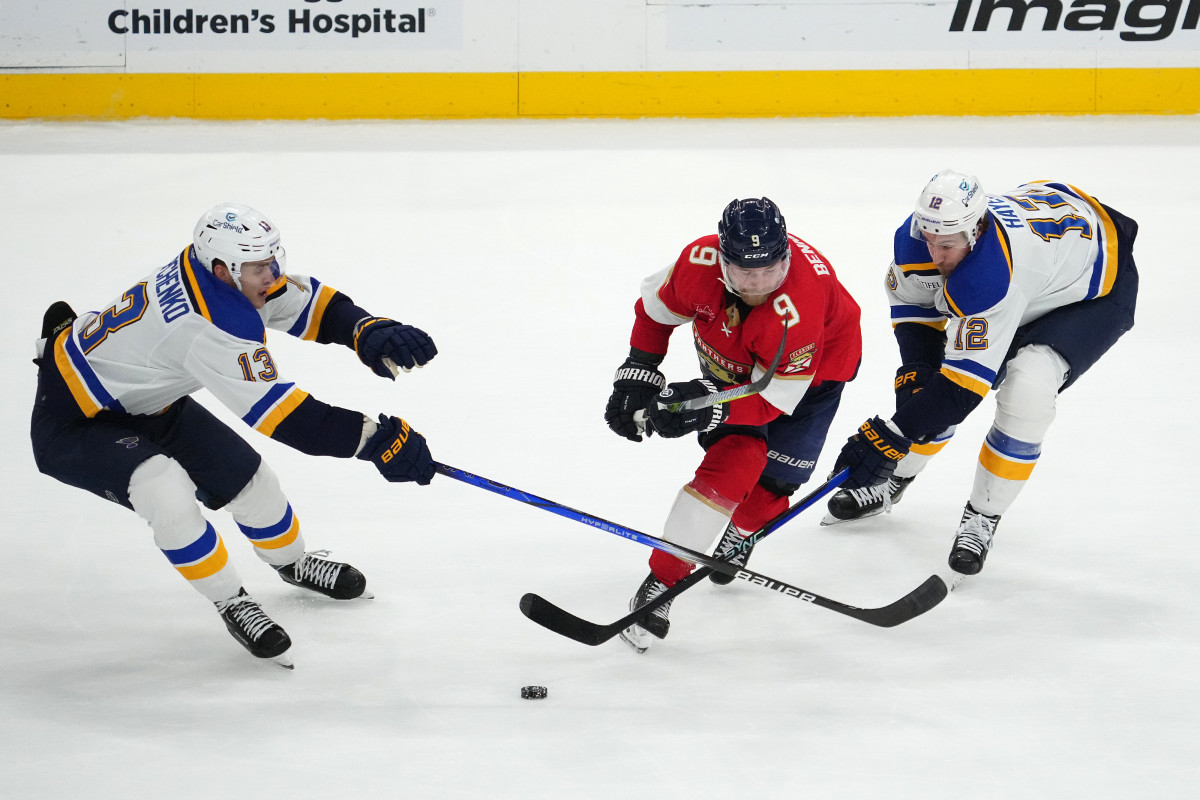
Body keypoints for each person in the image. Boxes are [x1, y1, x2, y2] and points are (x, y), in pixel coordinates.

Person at [31, 203, 438, 668]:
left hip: (144, 401)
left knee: (253, 484)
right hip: (74, 420)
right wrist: (374, 441)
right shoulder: (207, 325)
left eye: (271, 261)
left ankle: (291, 562)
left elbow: (300, 301)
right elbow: (286, 418)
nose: (272, 275)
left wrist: (364, 328)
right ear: (223, 270)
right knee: (164, 490)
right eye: (260, 268)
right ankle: (231, 600)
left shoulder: (217, 271)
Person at [823, 170, 1138, 578]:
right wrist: (914, 385)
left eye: (947, 245)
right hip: (1046, 259)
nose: (935, 255)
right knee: (927, 391)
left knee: (1028, 388)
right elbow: (917, 316)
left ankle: (983, 517)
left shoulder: (991, 275)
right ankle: (893, 480)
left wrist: (888, 436)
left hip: (1094, 286)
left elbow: (960, 392)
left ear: (975, 231)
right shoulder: (919, 241)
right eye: (930, 239)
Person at [603, 197, 862, 653]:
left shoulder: (796, 311)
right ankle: (661, 583)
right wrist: (639, 370)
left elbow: (773, 401)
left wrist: (707, 406)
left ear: (785, 256)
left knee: (771, 489)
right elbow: (654, 313)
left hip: (814, 378)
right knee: (736, 461)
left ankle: (740, 533)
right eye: (743, 272)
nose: (757, 284)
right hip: (733, 363)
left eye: (769, 270)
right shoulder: (697, 263)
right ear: (722, 258)